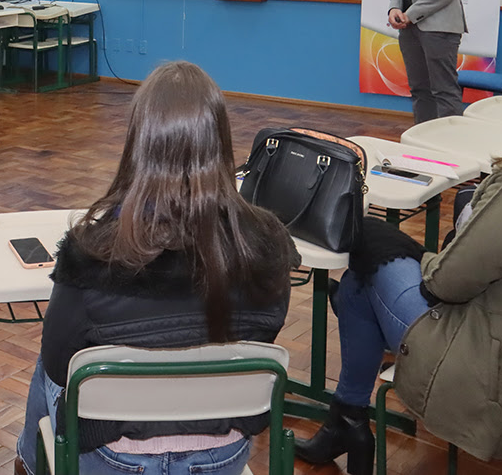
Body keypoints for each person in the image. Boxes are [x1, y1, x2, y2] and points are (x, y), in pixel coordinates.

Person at [296, 37, 502, 474]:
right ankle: (348, 414)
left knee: (367, 249)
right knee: (371, 268)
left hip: (492, 364)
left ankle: (348, 418)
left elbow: (442, 285)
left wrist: (432, 254)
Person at [15, 61, 297, 475]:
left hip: (113, 458)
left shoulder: (91, 251)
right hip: (223, 456)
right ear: (219, 140)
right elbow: (264, 328)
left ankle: (28, 462)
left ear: (138, 142)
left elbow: (60, 364)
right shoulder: (268, 243)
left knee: (51, 365)